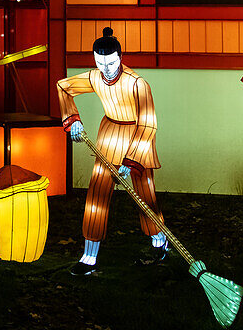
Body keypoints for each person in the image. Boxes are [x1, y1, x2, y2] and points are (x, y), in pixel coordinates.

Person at [57, 27, 168, 276]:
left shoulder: (137, 83)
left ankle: (159, 242)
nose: (106, 69)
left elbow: (148, 123)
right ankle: (89, 255)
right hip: (109, 136)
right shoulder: (95, 77)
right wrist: (72, 118)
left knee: (144, 194)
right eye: (100, 63)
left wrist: (132, 158)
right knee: (97, 195)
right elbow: (63, 86)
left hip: (137, 137)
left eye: (111, 62)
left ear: (120, 57)